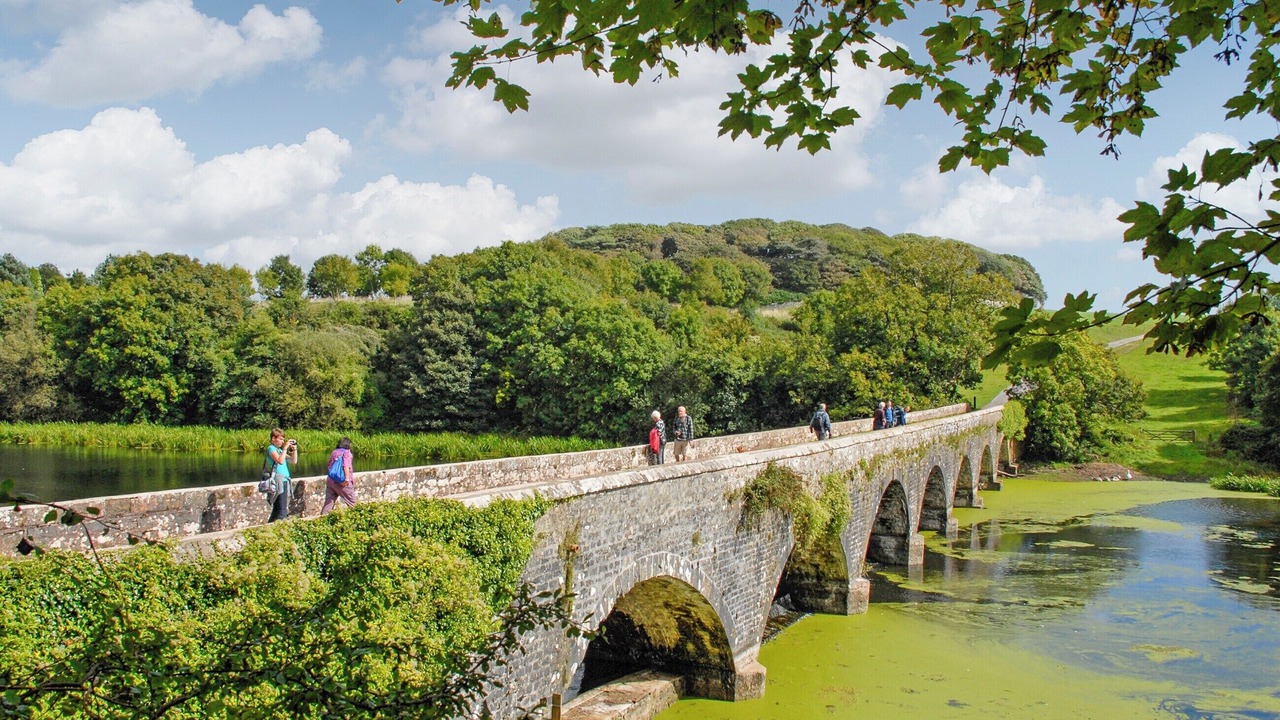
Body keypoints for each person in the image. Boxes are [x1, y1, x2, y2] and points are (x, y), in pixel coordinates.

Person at [266, 428, 298, 522]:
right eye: (280, 439)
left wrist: (294, 450)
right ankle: (280, 529)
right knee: (282, 510)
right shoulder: (271, 448)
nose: (282, 441)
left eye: (283, 440)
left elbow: (294, 461)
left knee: (277, 509)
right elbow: (279, 461)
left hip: (284, 480)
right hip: (278, 480)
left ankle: (268, 528)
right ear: (273, 439)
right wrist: (285, 448)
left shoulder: (279, 450)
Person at [321, 436, 357, 514]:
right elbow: (346, 466)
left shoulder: (334, 452)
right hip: (342, 481)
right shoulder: (347, 453)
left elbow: (330, 466)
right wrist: (347, 479)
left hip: (331, 480)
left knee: (329, 502)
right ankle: (357, 519)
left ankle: (322, 519)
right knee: (352, 502)